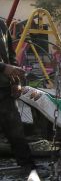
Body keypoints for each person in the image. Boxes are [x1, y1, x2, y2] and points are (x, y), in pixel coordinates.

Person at [0, 19, 35, 171]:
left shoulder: (1, 25)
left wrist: (16, 81)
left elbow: (10, 55)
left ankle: (28, 167)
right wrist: (3, 67)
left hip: (3, 89)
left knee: (16, 130)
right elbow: (5, 65)